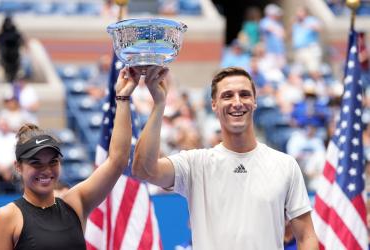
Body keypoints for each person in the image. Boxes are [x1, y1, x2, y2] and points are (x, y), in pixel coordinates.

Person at [132, 66, 318, 249]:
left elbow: (306, 235)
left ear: (255, 102)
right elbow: (143, 170)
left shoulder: (285, 165)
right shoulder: (195, 163)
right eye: (227, 96)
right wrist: (158, 105)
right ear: (214, 104)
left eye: (244, 94)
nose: (237, 102)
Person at [0, 67, 139, 249]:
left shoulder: (75, 203)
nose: (46, 169)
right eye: (36, 163)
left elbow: (118, 161)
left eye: (53, 161)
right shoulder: (6, 217)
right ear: (18, 167)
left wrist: (122, 97)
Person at [0, 15, 26, 83]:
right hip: (6, 60)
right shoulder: (2, 35)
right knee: (0, 72)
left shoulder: (15, 34)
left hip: (13, 60)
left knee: (19, 74)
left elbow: (24, 44)